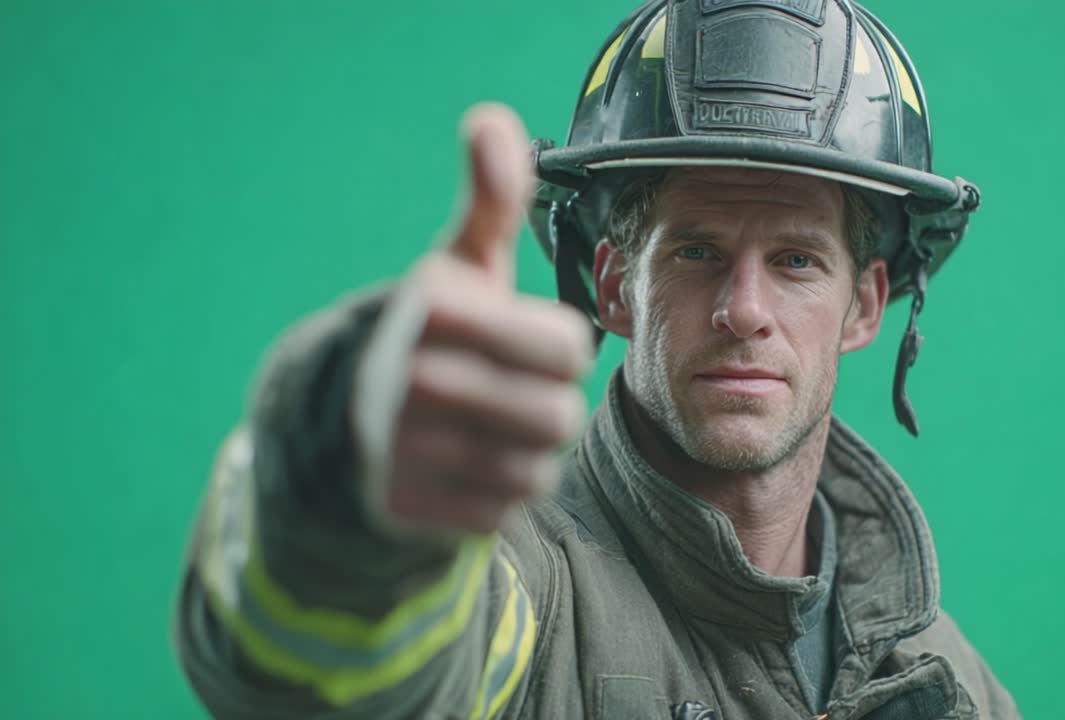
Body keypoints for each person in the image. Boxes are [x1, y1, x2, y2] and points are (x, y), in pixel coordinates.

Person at [174, 1, 1019, 717]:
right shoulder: (521, 588)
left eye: (797, 261)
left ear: (865, 305)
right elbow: (335, 672)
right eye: (696, 253)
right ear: (613, 288)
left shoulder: (945, 680)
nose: (744, 310)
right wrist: (348, 477)